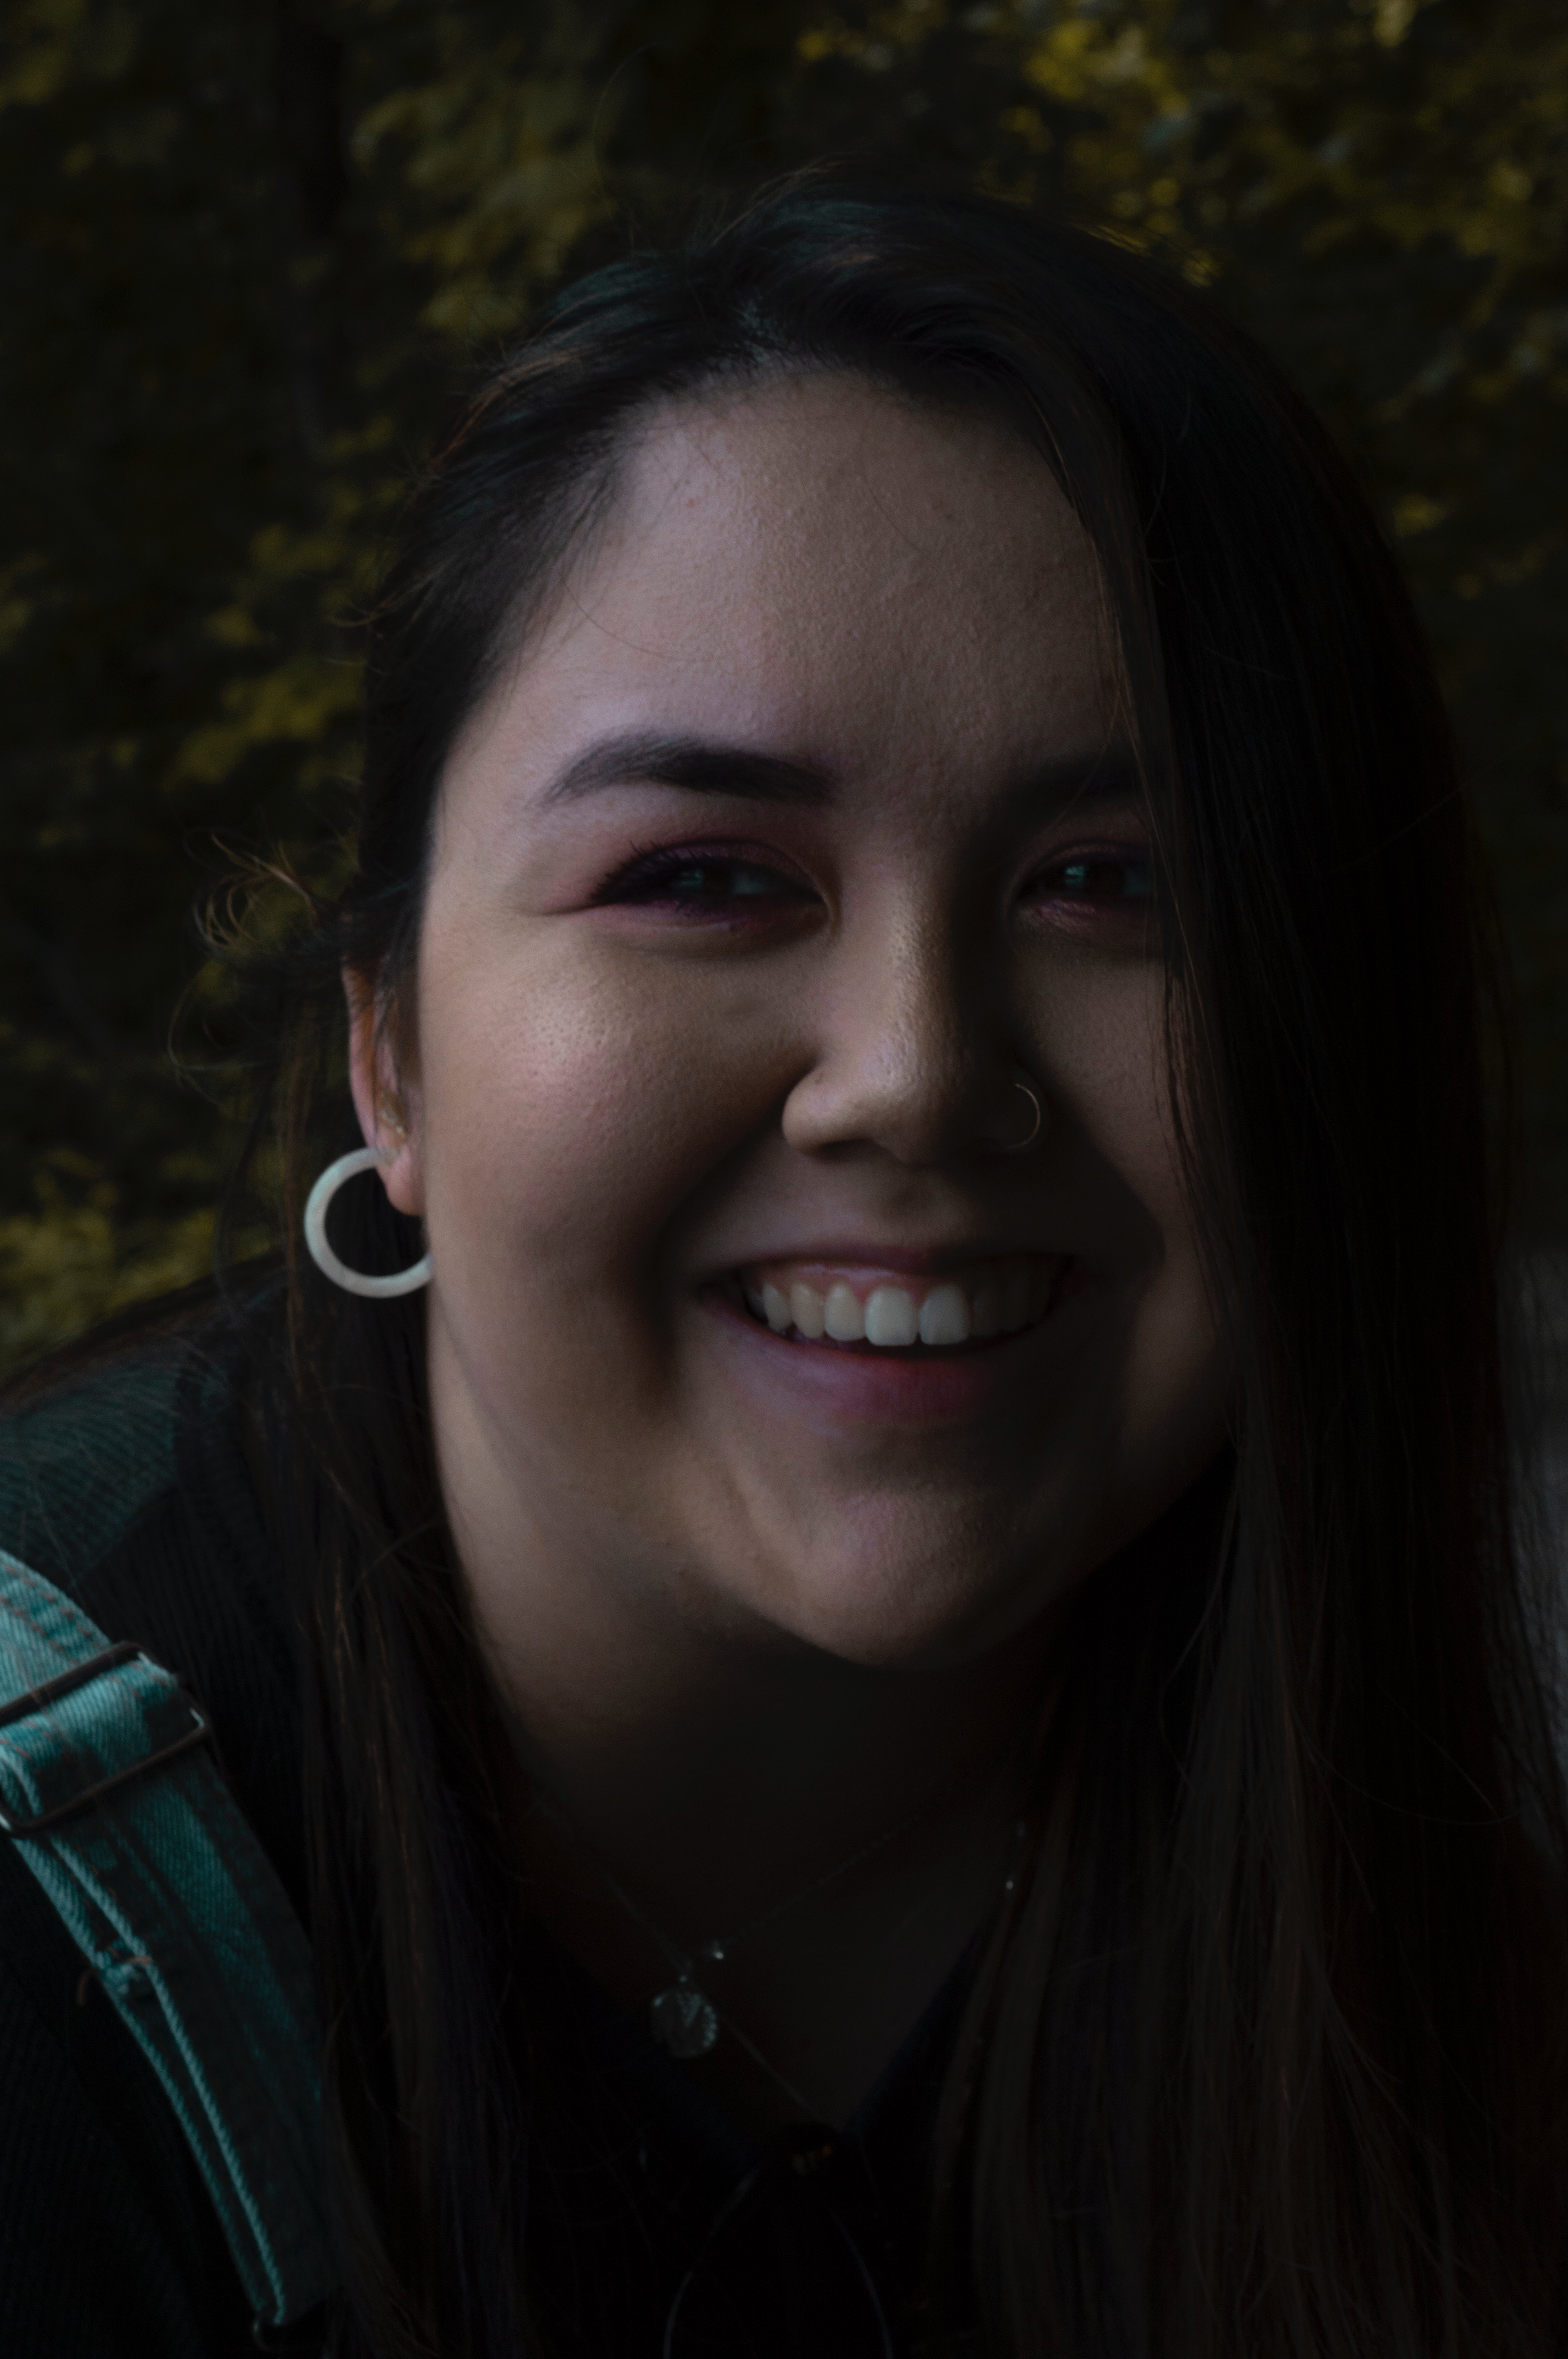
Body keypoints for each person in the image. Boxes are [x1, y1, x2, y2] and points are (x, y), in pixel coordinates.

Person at [2, 173, 1565, 2359]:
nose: (917, 1078)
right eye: (705, 877)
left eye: (1118, 883)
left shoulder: (1434, 1925)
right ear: (393, 1058)